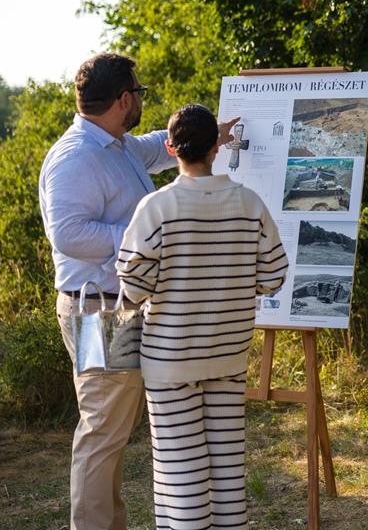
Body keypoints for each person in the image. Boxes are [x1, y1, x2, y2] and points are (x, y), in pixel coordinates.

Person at [40, 53, 237, 530]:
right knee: (102, 429)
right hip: (97, 313)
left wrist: (215, 133)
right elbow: (67, 235)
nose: (141, 102)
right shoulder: (74, 158)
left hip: (116, 308)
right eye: (140, 93)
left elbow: (159, 147)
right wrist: (138, 234)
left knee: (111, 429)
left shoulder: (118, 143)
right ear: (124, 99)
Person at [116, 104, 288, 530]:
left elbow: (134, 286)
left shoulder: (155, 208)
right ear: (217, 146)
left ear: (170, 147)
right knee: (228, 470)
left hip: (169, 360)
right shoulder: (250, 204)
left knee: (182, 474)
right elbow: (273, 276)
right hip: (228, 356)